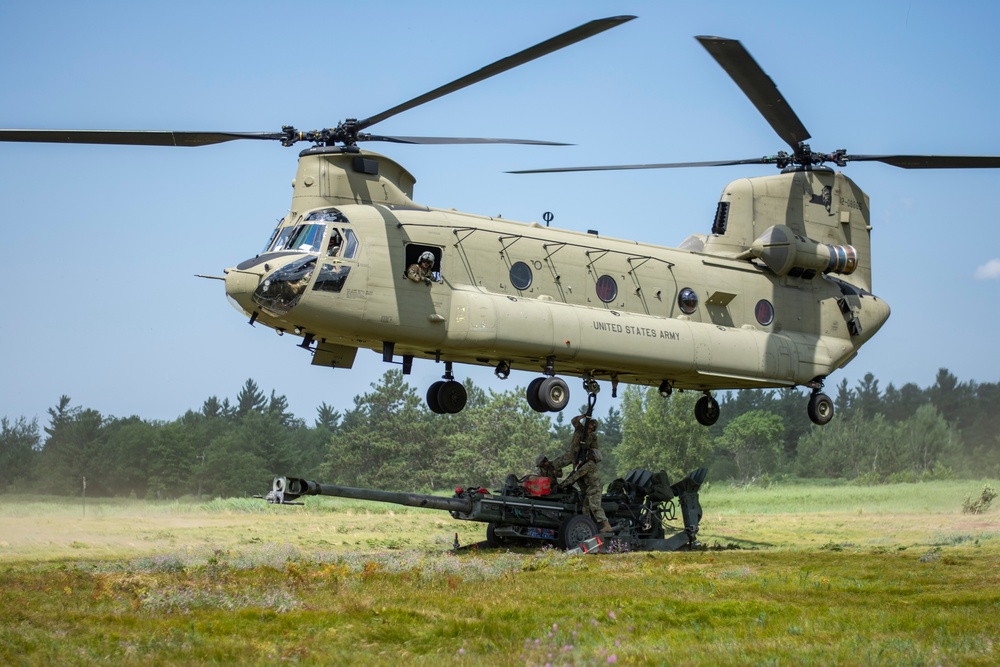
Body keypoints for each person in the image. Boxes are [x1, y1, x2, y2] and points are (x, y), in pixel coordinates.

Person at [547, 413, 613, 533]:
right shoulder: (580, 429)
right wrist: (584, 415)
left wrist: (563, 485)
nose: (591, 425)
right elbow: (574, 420)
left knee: (592, 504)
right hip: (572, 454)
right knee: (553, 466)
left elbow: (576, 474)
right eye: (591, 423)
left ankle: (595, 526)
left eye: (593, 425)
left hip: (582, 464)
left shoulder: (592, 438)